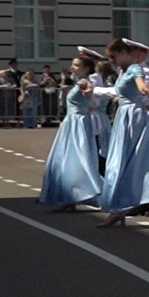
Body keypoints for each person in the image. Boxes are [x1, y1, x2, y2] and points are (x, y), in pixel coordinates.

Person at [94, 39, 149, 227]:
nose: (112, 61)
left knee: (135, 161)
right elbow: (117, 92)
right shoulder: (121, 71)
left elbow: (141, 84)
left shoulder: (135, 69)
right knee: (118, 161)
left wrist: (146, 89)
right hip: (123, 117)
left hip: (134, 118)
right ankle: (118, 209)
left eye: (114, 56)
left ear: (125, 53)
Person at [38, 52, 105, 210]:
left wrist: (90, 94)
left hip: (78, 123)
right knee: (65, 159)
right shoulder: (78, 81)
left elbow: (92, 96)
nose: (72, 68)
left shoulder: (84, 82)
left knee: (79, 159)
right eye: (73, 65)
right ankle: (69, 197)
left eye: (76, 65)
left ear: (86, 68)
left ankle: (92, 193)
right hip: (71, 123)